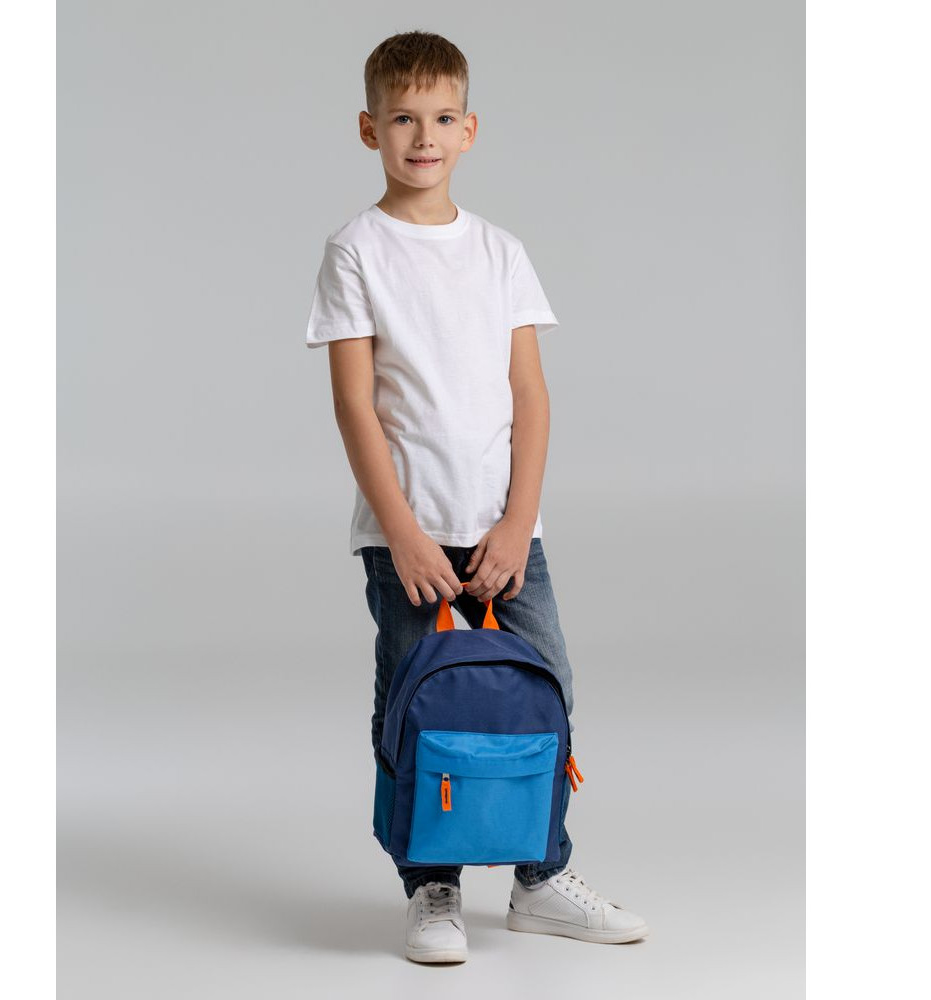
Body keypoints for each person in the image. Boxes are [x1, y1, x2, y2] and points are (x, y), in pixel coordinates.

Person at [304, 29, 648, 964]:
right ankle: (433, 888)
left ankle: (540, 877)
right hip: (407, 536)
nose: (424, 136)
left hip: (505, 530)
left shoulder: (500, 251)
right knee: (419, 703)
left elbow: (530, 393)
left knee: (548, 687)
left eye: (443, 118)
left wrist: (518, 519)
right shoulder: (356, 251)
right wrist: (404, 535)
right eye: (403, 119)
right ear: (369, 129)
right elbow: (354, 404)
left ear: (470, 129)